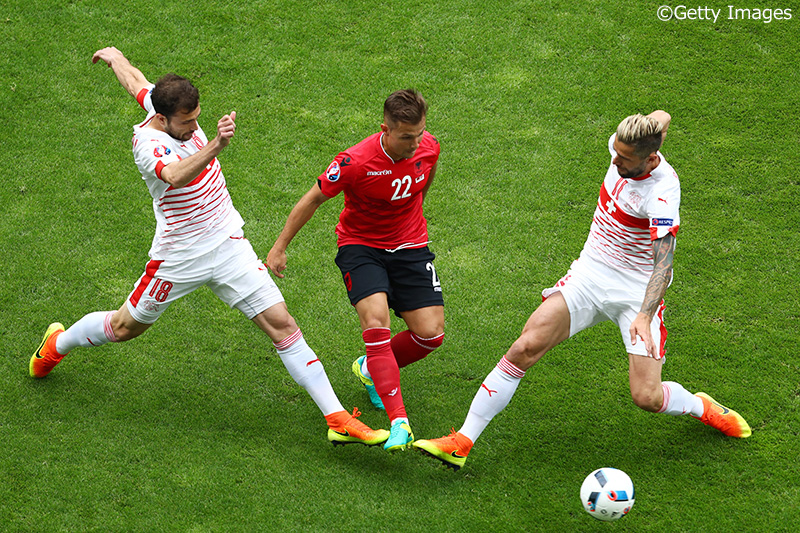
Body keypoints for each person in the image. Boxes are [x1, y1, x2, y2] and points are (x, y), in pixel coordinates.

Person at [30, 46, 389, 448]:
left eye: (197, 118)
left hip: (228, 245)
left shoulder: (165, 106)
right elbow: (175, 176)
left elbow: (137, 83)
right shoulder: (147, 144)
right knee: (124, 328)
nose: (193, 126)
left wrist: (116, 59)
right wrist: (215, 144)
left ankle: (337, 418)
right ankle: (57, 344)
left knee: (282, 324)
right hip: (179, 258)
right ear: (162, 119)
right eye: (187, 122)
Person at [413, 111, 751, 470]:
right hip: (589, 276)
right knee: (524, 347)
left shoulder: (661, 194)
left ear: (651, 160)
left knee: (647, 397)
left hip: (635, 294)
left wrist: (643, 315)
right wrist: (655, 125)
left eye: (625, 159)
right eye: (615, 151)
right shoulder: (628, 146)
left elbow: (663, 266)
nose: (615, 160)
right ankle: (462, 442)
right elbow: (661, 118)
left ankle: (700, 406)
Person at [267, 90, 443, 452]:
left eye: (419, 134)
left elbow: (424, 182)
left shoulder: (428, 148)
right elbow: (313, 198)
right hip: (361, 247)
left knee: (430, 335)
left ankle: (369, 367)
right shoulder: (355, 162)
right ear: (385, 129)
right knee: (376, 322)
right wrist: (280, 247)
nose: (415, 144)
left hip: (410, 247)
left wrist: (412, 222)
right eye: (406, 137)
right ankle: (400, 422)